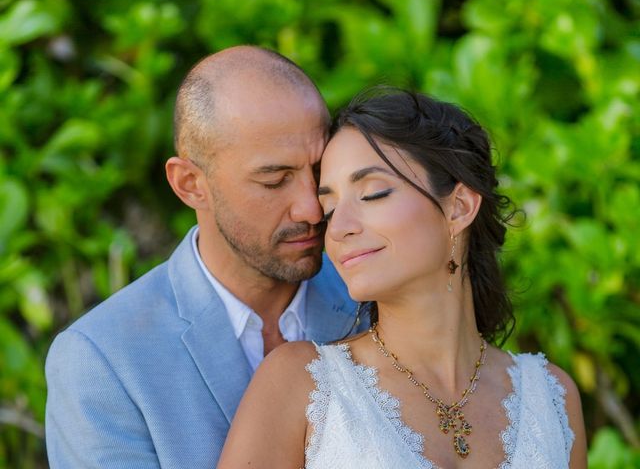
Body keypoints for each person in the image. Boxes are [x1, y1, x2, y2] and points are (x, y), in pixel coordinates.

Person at [217, 88, 588, 468]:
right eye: (329, 210)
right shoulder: (301, 383)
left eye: (373, 194)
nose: (339, 228)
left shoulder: (553, 397)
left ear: (458, 208)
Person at [45, 46, 364, 468]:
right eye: (273, 181)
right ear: (190, 183)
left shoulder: (372, 297)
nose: (311, 208)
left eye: (320, 172)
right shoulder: (103, 361)